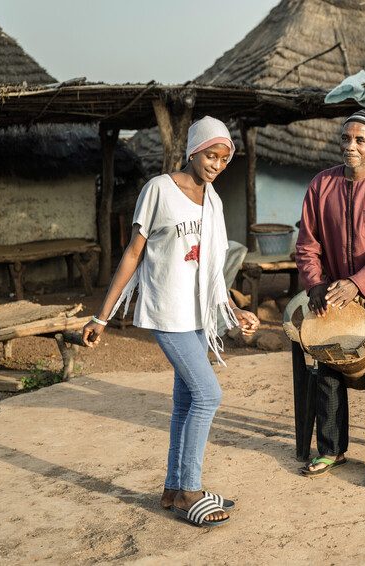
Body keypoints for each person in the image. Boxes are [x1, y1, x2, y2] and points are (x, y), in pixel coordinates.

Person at [82, 116, 260, 527]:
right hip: (168, 314)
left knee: (185, 401)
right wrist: (101, 315)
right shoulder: (159, 189)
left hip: (199, 317)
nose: (216, 164)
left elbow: (213, 270)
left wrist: (233, 309)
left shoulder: (213, 201)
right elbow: (132, 252)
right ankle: (190, 492)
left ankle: (173, 487)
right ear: (193, 151)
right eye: (210, 155)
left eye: (224, 158)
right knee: (208, 396)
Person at [295, 110, 365, 487]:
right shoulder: (320, 185)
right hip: (332, 295)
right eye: (346, 139)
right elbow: (307, 244)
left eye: (360, 140)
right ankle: (331, 449)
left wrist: (356, 284)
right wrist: (315, 285)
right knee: (328, 367)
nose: (351, 146)